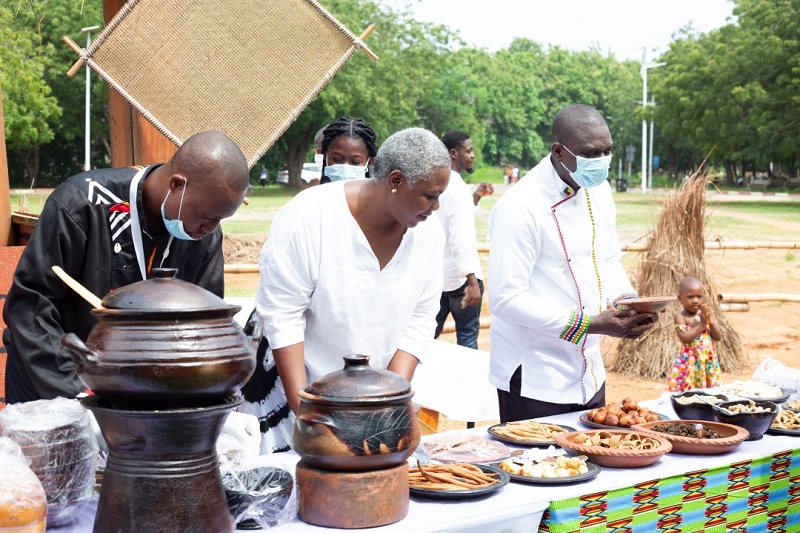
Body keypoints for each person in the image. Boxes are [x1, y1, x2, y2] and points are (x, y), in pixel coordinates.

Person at [243, 127, 451, 453]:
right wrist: (307, 414)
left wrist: (387, 401)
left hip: (372, 405)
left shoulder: (429, 234)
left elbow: (421, 320)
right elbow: (282, 315)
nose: (436, 207)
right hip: (295, 396)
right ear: (395, 182)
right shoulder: (310, 215)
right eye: (430, 195)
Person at [3, 131, 250, 404]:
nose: (210, 229)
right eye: (207, 216)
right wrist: (79, 390)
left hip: (137, 390)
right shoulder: (83, 203)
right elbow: (29, 306)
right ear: (177, 185)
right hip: (53, 378)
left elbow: (206, 322)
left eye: (220, 219)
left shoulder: (205, 237)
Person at [487, 104, 659, 423]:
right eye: (592, 153)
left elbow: (607, 259)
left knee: (595, 464)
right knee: (541, 470)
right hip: (535, 378)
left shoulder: (598, 189)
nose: (602, 161)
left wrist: (629, 304)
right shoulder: (520, 207)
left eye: (608, 151)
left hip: (589, 372)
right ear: (558, 151)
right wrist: (592, 324)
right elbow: (505, 299)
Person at [434, 130, 491, 349]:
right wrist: (472, 280)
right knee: (467, 339)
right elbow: (460, 237)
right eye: (469, 150)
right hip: (462, 281)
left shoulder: (438, 183)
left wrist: (475, 197)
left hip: (438, 277)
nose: (473, 155)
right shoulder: (456, 187)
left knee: (425, 335)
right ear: (453, 153)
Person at [667, 276, 722, 392]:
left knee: (710, 392)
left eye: (699, 296)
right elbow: (684, 338)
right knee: (688, 392)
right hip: (690, 363)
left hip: (707, 362)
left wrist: (710, 322)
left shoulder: (703, 315)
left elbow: (718, 337)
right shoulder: (680, 316)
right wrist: (702, 324)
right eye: (690, 297)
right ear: (680, 298)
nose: (695, 300)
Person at [318, 117, 378, 184]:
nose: (345, 169)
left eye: (355, 162)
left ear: (369, 162)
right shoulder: (312, 194)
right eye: (337, 159)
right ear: (325, 155)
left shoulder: (380, 194)